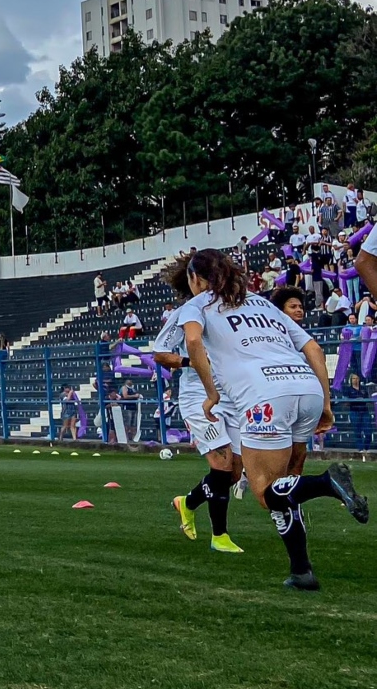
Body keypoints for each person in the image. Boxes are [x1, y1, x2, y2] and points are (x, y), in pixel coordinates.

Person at [179, 249, 368, 591]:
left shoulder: (197, 305)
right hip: (305, 387)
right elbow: (313, 348)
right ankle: (302, 571)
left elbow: (193, 340)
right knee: (286, 487)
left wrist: (211, 394)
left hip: (264, 395)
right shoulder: (263, 304)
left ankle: (328, 483)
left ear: (195, 278)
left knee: (266, 491)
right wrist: (325, 403)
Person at [152, 256, 244, 553]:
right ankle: (220, 536)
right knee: (222, 462)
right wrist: (194, 362)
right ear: (195, 280)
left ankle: (187, 503)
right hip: (198, 397)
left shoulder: (230, 310)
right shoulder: (185, 313)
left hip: (232, 395)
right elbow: (160, 353)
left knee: (234, 473)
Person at [343, 372, 373, 452]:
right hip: (354, 411)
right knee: (357, 431)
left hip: (364, 411)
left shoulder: (363, 389)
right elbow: (345, 403)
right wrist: (353, 401)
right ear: (351, 380)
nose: (355, 380)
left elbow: (368, 399)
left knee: (368, 431)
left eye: (356, 378)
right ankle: (360, 449)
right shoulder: (348, 390)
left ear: (359, 379)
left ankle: (366, 448)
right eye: (353, 378)